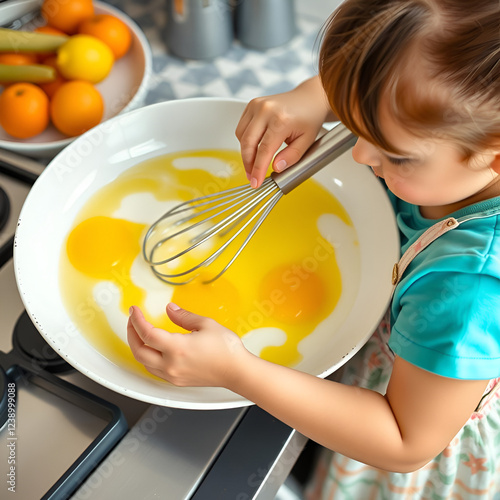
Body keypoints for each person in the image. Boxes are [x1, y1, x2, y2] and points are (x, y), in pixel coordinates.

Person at [127, 0, 500, 497]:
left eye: (393, 153)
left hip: (402, 430)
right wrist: (315, 96)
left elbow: (404, 439)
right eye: (352, 120)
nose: (359, 154)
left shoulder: (468, 288)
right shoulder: (450, 130)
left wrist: (236, 371)